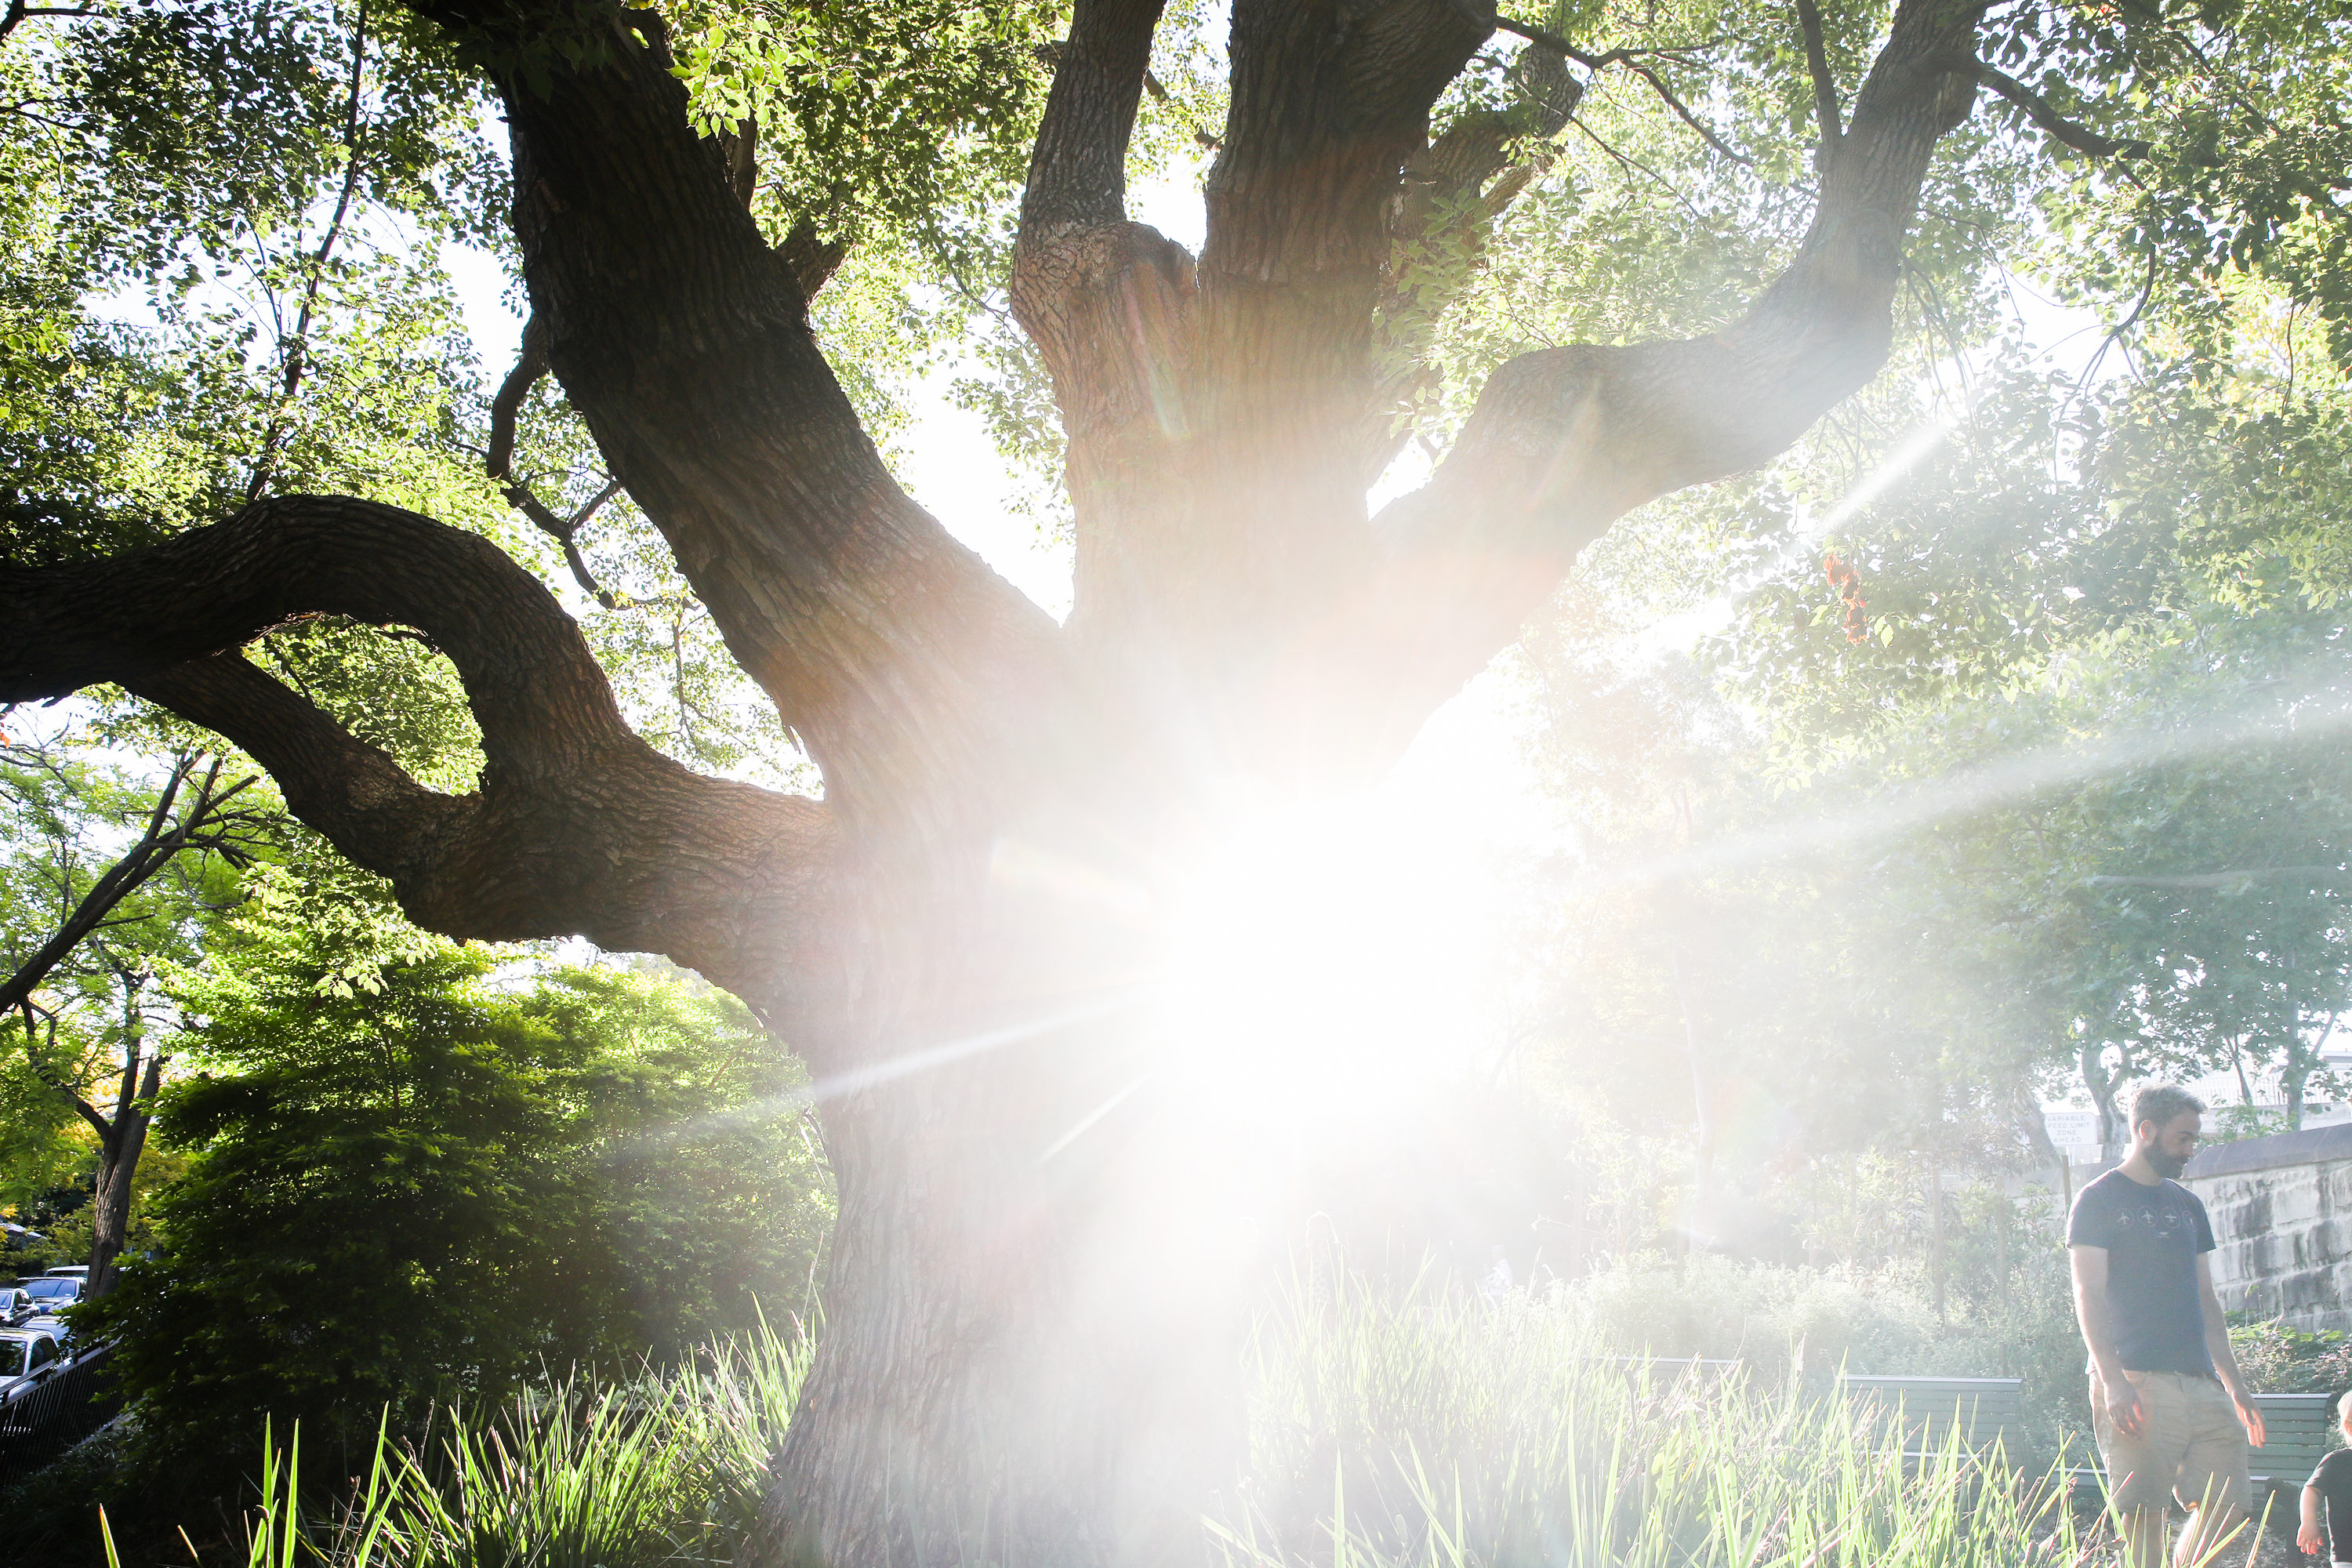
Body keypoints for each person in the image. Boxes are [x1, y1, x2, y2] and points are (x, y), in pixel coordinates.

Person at [2069, 1083, 2266, 1568]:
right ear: (2146, 1130)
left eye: (2194, 1139)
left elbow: (2205, 1299)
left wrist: (2235, 1385)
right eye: (2183, 1138)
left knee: (2230, 1506)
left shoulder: (2188, 1206)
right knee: (2143, 1513)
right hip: (2137, 1378)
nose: (2190, 1150)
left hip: (2200, 1381)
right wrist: (2113, 1379)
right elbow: (2088, 1295)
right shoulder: (2097, 1200)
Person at [2299, 1396, 2352, 1565]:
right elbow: (2312, 1490)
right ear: (2350, 1427)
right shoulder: (2338, 1461)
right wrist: (2308, 1521)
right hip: (2347, 1555)